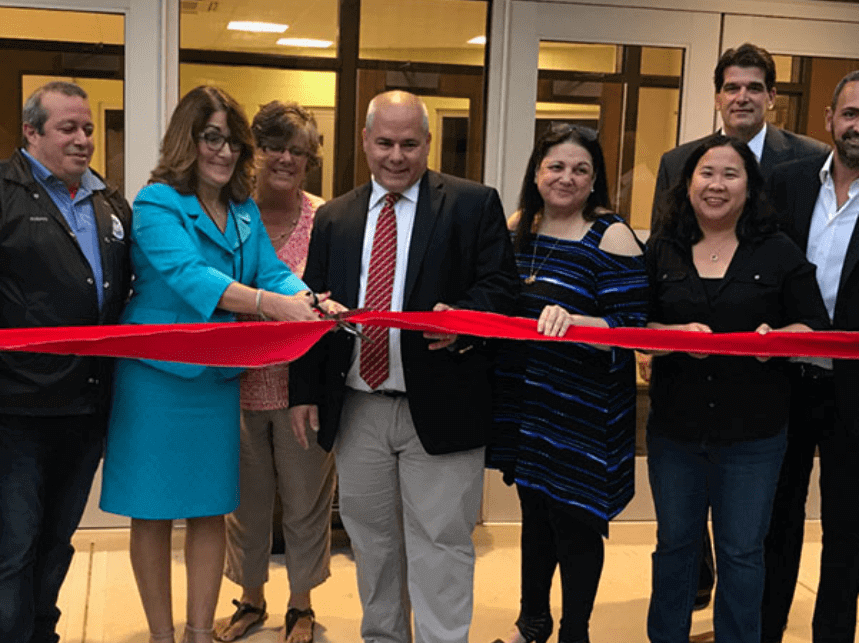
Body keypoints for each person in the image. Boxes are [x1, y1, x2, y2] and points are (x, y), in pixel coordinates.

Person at [289, 90, 519, 643]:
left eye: (410, 144)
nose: (397, 156)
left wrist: (465, 319)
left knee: (440, 542)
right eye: (385, 142)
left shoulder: (471, 203)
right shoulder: (336, 217)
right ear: (365, 141)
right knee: (371, 542)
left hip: (442, 405)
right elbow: (311, 308)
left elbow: (502, 289)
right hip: (359, 406)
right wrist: (303, 391)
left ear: (428, 143)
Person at [99, 86, 323, 643]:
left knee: (208, 510)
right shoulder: (155, 203)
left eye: (232, 141)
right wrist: (275, 306)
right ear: (188, 141)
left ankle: (199, 632)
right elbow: (192, 279)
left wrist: (312, 300)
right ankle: (162, 635)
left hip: (217, 382)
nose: (223, 152)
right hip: (156, 380)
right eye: (211, 138)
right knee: (151, 513)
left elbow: (272, 273)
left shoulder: (243, 208)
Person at [646, 43, 828, 624]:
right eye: (707, 173)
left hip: (753, 432)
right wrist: (665, 335)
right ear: (687, 181)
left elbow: (815, 329)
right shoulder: (665, 250)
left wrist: (783, 334)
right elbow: (637, 322)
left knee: (743, 554)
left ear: (749, 187)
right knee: (675, 549)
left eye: (731, 174)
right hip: (676, 428)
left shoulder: (778, 252)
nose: (717, 184)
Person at [486, 125, 648, 643]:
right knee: (535, 516)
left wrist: (578, 321)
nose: (566, 178)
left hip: (585, 411)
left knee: (575, 524)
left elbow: (634, 332)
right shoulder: (519, 226)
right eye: (555, 166)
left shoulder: (612, 234)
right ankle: (532, 623)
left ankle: (574, 632)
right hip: (529, 402)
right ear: (536, 173)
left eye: (580, 169)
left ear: (595, 179)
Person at [0, 80, 132, 643]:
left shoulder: (109, 202)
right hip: (16, 411)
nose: (82, 140)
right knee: (13, 547)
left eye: (87, 130)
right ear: (30, 132)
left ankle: (41, 633)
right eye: (67, 129)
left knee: (58, 540)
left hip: (85, 406)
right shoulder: (3, 196)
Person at [214, 101, 335, 643]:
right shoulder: (226, 213)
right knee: (244, 501)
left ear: (311, 159)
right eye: (273, 146)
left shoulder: (328, 218)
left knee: (307, 498)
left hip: (302, 391)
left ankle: (301, 605)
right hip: (234, 387)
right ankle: (251, 598)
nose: (285, 158)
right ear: (253, 152)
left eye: (298, 150)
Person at [762, 70, 859, 643]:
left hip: (853, 391)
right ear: (828, 121)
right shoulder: (788, 182)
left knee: (847, 528)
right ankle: (765, 631)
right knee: (776, 520)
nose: (857, 127)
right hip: (784, 382)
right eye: (850, 115)